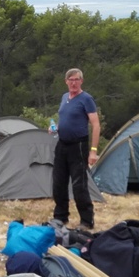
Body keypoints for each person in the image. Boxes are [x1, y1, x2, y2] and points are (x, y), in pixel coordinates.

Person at [51, 68, 100, 231]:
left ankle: (86, 220)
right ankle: (60, 216)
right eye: (70, 79)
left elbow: (95, 124)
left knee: (79, 185)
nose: (73, 82)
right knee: (59, 182)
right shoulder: (65, 97)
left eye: (77, 79)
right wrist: (55, 128)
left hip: (78, 145)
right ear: (66, 81)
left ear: (81, 81)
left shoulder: (86, 99)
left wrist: (93, 151)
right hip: (62, 143)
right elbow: (65, 119)